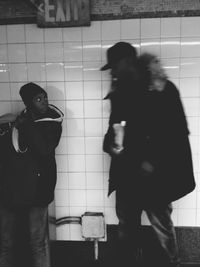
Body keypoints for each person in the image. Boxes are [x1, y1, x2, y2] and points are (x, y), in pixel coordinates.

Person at [101, 43, 195, 267]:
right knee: (127, 231)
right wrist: (110, 146)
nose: (113, 72)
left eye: (115, 66)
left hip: (156, 177)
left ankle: (172, 262)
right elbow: (113, 130)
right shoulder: (120, 93)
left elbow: (178, 132)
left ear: (127, 62)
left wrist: (153, 161)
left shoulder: (162, 89)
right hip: (127, 175)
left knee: (161, 227)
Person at [0, 82, 63, 267]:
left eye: (45, 97)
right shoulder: (19, 121)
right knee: (6, 241)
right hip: (12, 188)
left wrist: (25, 124)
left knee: (37, 242)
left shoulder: (52, 124)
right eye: (38, 99)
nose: (44, 101)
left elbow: (44, 149)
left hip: (39, 190)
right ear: (28, 104)